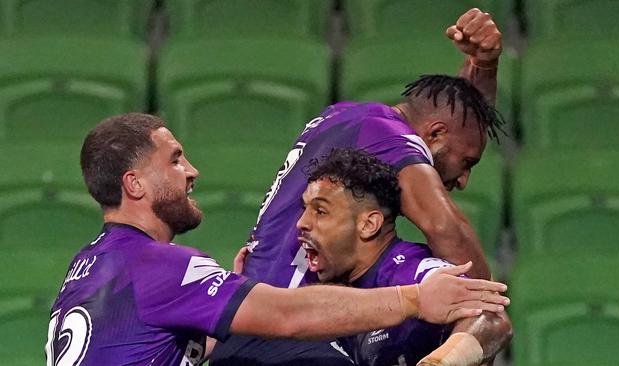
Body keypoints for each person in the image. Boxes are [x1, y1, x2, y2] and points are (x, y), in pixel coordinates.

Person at [45, 113, 509, 365]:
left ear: (369, 223)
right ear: (135, 185)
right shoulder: (160, 266)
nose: (192, 172)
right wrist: (414, 300)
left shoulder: (85, 270)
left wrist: (234, 298)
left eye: (321, 210)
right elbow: (286, 315)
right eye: (175, 160)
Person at [211, 8, 507, 365]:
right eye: (467, 163)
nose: (462, 180)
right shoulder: (390, 135)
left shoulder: (344, 118)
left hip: (242, 333)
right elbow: (445, 227)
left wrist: (483, 67)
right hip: (300, 336)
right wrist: (483, 299)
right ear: (435, 135)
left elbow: (461, 115)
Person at [295, 148, 512, 366]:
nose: (302, 223)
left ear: (369, 225)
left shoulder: (411, 269)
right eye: (304, 209)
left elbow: (490, 318)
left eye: (320, 211)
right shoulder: (328, 288)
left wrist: (440, 362)